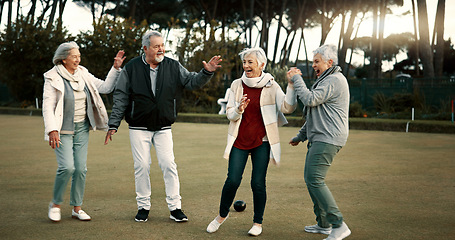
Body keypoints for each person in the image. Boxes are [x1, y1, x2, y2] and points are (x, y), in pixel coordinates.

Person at [104, 30, 222, 223]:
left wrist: (207, 71)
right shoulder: (132, 67)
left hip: (163, 126)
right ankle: (143, 206)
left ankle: (175, 207)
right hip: (138, 126)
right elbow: (121, 96)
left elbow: (192, 81)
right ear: (145, 48)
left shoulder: (173, 66)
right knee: (141, 166)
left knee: (168, 165)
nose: (161, 49)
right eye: (156, 46)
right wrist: (114, 124)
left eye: (162, 45)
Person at [206, 47, 297, 236]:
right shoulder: (236, 85)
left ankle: (257, 223)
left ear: (261, 64)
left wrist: (291, 86)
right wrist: (238, 109)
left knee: (257, 183)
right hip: (239, 140)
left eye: (250, 62)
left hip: (262, 142)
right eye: (244, 62)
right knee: (232, 180)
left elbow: (288, 107)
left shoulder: (271, 85)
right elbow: (230, 115)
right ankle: (221, 216)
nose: (246, 65)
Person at [43, 41, 125, 222]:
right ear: (64, 59)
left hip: (82, 127)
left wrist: (115, 69)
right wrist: (52, 130)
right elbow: (48, 106)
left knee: (80, 169)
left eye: (79, 56)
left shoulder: (83, 73)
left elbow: (104, 87)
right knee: (67, 167)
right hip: (62, 129)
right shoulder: (52, 77)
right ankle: (55, 204)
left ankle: (76, 208)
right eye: (74, 56)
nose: (77, 59)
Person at [287, 44, 351, 240]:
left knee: (315, 180)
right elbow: (316, 113)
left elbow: (309, 100)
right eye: (313, 61)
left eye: (317, 62)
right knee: (311, 179)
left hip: (328, 138)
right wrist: (300, 136)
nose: (313, 65)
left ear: (329, 62)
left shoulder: (334, 80)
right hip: (321, 137)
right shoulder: (325, 79)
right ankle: (324, 224)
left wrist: (296, 78)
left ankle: (338, 224)